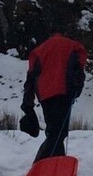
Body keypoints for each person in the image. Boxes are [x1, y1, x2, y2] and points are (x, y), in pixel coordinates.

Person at [20, 33, 88, 162]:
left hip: (45, 95)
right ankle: (39, 165)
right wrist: (76, 89)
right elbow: (79, 67)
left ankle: (56, 166)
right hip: (64, 93)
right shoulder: (74, 46)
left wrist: (27, 105)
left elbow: (30, 79)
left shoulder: (39, 51)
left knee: (55, 131)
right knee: (58, 134)